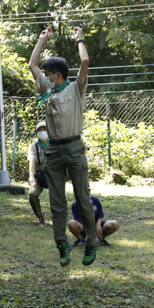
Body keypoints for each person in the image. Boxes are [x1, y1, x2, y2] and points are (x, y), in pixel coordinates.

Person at [28, 26, 99, 267]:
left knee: (82, 198)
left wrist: (79, 38)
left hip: (74, 148)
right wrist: (42, 39)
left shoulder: (76, 88)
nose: (44, 76)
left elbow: (86, 60)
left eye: (48, 73)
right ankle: (61, 244)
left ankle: (91, 241)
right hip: (54, 151)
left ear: (57, 75)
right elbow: (32, 64)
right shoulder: (47, 89)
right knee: (56, 202)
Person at [28, 121, 49, 224]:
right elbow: (31, 159)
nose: (42, 132)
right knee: (32, 194)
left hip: (53, 175)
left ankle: (59, 218)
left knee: (57, 196)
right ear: (36, 133)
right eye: (39, 130)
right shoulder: (33, 146)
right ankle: (39, 216)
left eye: (44, 129)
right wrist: (31, 176)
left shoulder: (54, 144)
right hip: (39, 175)